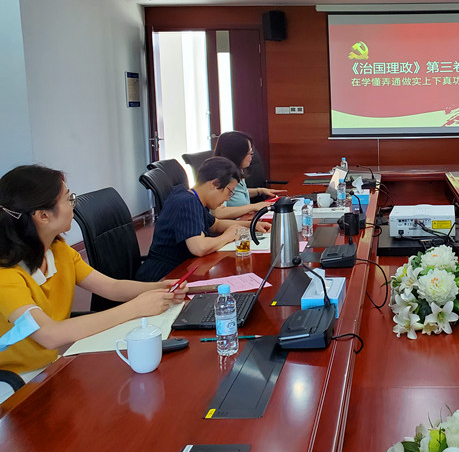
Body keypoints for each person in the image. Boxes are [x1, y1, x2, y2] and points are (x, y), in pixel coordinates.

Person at [0, 165, 187, 380]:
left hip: (48, 368)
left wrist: (160, 287)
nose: (73, 205)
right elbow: (50, 335)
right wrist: (135, 308)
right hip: (15, 381)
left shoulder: (58, 250)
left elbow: (111, 287)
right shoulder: (6, 276)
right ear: (43, 216)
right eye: (69, 199)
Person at [135, 157, 270, 282]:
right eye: (230, 192)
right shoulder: (187, 202)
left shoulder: (192, 197)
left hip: (180, 269)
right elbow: (199, 248)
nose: (228, 198)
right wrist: (227, 236)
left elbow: (216, 224)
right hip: (163, 276)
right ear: (214, 184)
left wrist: (251, 225)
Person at [211, 131, 285, 219]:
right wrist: (253, 207)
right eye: (250, 153)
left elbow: (238, 194)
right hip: (232, 224)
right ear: (237, 154)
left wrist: (260, 191)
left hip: (244, 220)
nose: (251, 157)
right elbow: (219, 213)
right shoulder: (221, 177)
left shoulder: (237, 171)